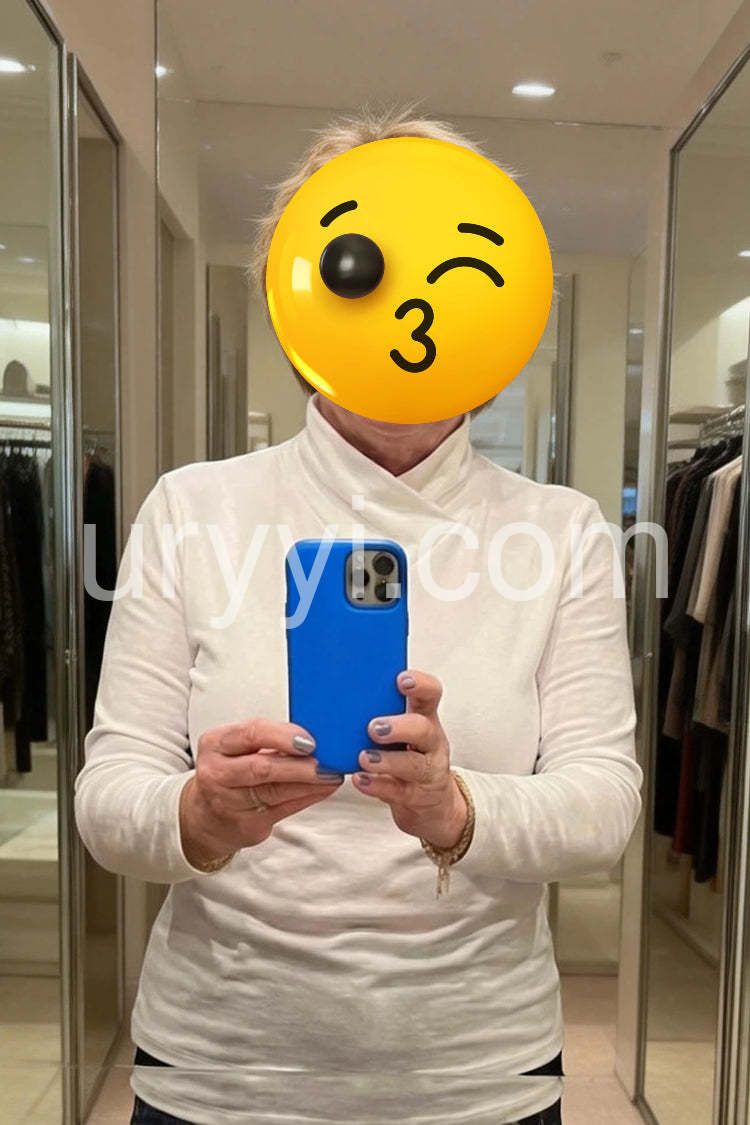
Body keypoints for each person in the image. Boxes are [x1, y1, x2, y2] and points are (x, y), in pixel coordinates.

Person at [74, 108, 642, 1125]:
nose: (409, 310)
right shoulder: (193, 509)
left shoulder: (562, 532)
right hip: (219, 1073)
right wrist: (198, 815)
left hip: (477, 1078)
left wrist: (457, 812)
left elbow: (604, 804)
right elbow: (108, 793)